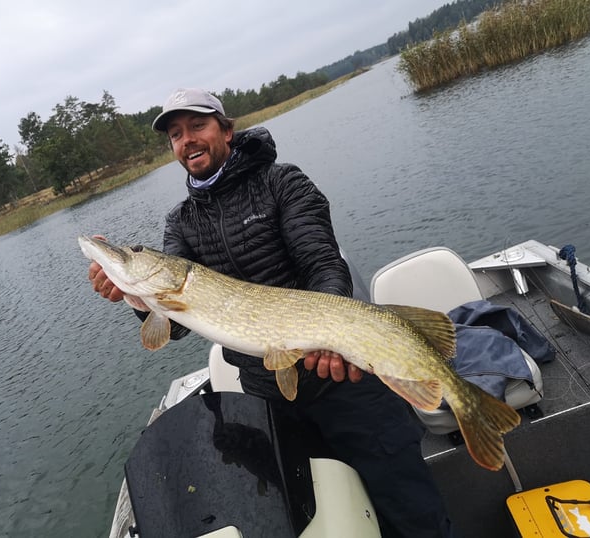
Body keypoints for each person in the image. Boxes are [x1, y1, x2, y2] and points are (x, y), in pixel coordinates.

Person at [88, 88, 455, 537]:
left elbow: (323, 264)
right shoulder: (180, 223)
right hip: (269, 401)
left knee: (413, 514)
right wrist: (132, 296)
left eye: (197, 126)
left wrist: (329, 337)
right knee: (320, 520)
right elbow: (175, 327)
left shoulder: (281, 182)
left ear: (226, 130)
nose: (187, 141)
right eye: (176, 135)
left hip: (343, 387)